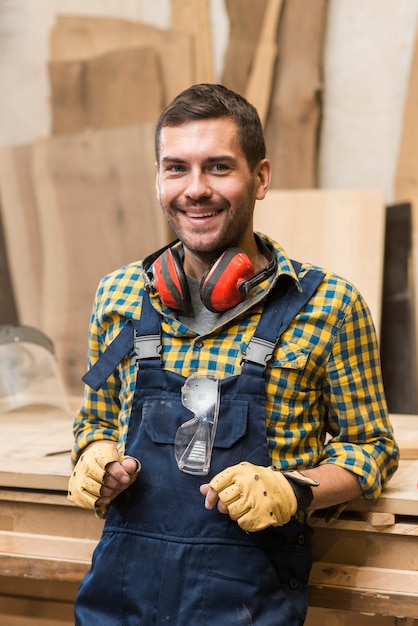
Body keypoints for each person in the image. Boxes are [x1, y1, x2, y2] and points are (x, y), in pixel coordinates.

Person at [68, 83, 399, 625]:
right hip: (120, 598)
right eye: (176, 168)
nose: (195, 189)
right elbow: (96, 421)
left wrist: (295, 487)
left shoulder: (329, 306)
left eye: (218, 167)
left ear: (260, 177)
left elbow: (372, 449)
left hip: (247, 605)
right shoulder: (118, 296)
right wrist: (94, 458)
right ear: (158, 179)